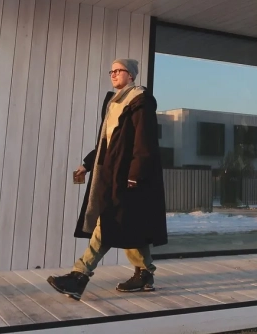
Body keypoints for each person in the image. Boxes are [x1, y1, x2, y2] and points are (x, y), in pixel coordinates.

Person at [47, 59, 168, 301]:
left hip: (128, 176)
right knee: (129, 224)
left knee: (109, 221)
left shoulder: (140, 101)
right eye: (111, 71)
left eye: (118, 70)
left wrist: (134, 176)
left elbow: (144, 143)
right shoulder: (115, 102)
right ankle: (145, 274)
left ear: (131, 75)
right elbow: (107, 144)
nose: (113, 74)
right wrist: (87, 164)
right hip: (112, 173)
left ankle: (79, 276)